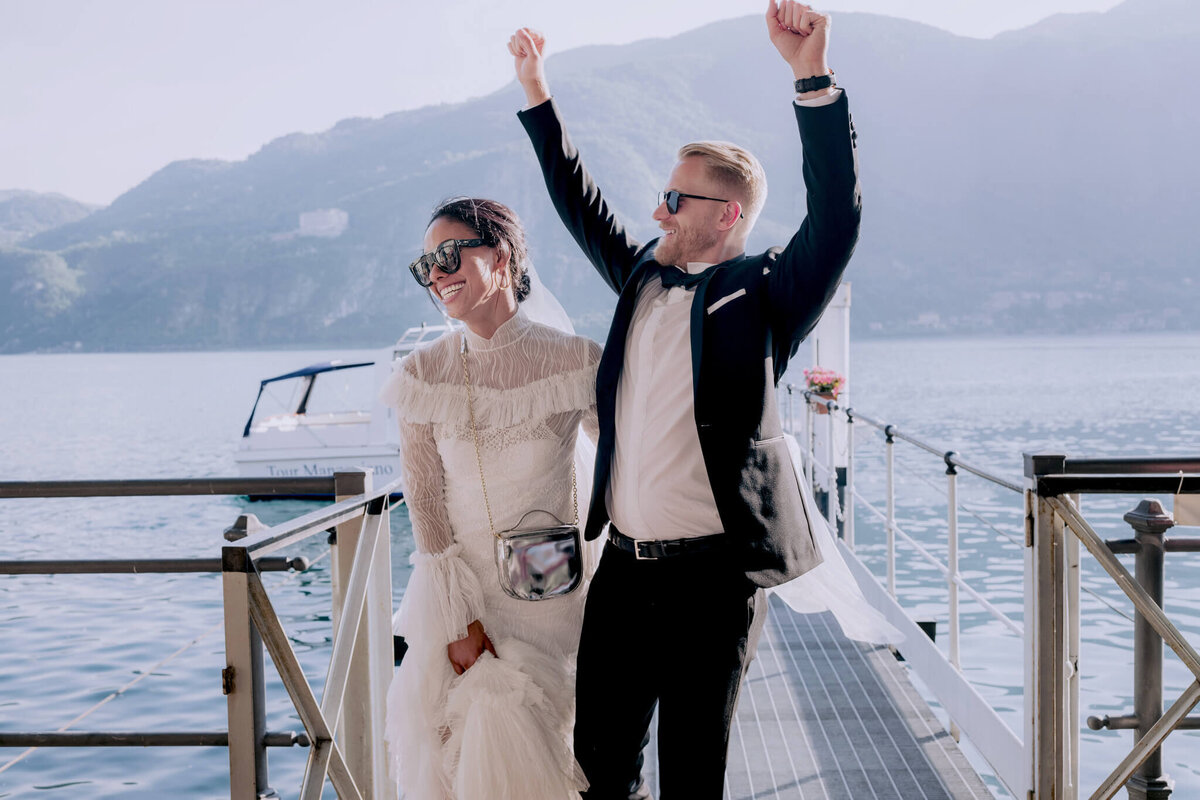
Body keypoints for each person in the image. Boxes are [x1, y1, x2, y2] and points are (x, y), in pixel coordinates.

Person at [509, 1, 862, 796]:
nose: (658, 210)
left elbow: (836, 220)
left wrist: (811, 77)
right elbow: (579, 201)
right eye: (664, 195)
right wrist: (537, 94)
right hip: (624, 571)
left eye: (677, 200)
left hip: (713, 582)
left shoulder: (764, 291)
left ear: (728, 215)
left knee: (693, 775)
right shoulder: (641, 273)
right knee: (599, 765)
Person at [381, 197, 601, 800]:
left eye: (449, 254)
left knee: (556, 753)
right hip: (466, 603)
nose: (436, 273)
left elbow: (626, 466)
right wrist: (457, 622)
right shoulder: (423, 376)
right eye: (425, 264)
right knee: (467, 758)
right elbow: (424, 502)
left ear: (499, 256)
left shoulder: (575, 360)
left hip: (555, 596)